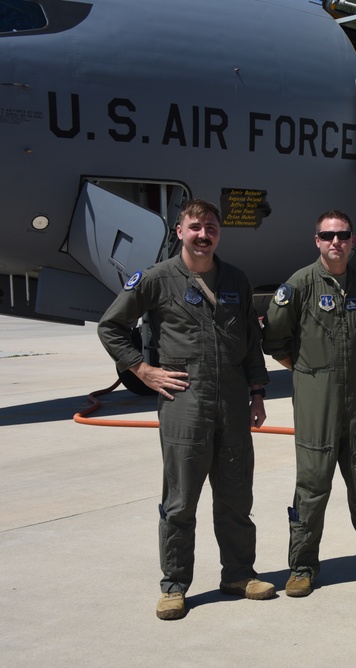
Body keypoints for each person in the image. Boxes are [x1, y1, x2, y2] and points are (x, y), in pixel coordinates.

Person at [97, 199, 275, 621]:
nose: (203, 234)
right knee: (180, 501)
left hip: (232, 402)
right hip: (185, 403)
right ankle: (174, 585)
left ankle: (239, 574)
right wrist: (143, 370)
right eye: (195, 226)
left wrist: (257, 392)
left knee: (235, 496)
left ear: (218, 233)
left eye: (210, 226)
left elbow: (250, 340)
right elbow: (111, 326)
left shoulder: (235, 278)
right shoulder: (157, 279)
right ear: (179, 231)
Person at [262, 209, 356, 596]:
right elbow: (274, 340)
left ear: (353, 241)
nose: (335, 242)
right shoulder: (300, 285)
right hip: (314, 401)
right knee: (312, 485)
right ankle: (302, 566)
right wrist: (308, 371)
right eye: (327, 236)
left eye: (342, 235)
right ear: (317, 241)